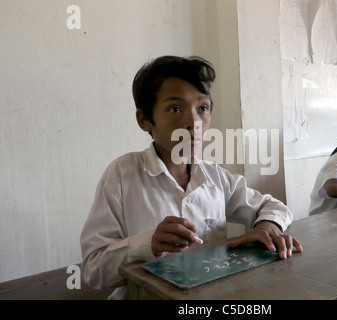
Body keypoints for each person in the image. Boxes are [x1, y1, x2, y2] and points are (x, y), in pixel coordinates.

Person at [80, 56, 302, 299]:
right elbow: (93, 270)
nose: (193, 122)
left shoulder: (214, 176)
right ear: (144, 120)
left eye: (202, 108)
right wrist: (148, 244)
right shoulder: (122, 176)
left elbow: (272, 206)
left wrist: (267, 226)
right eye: (175, 109)